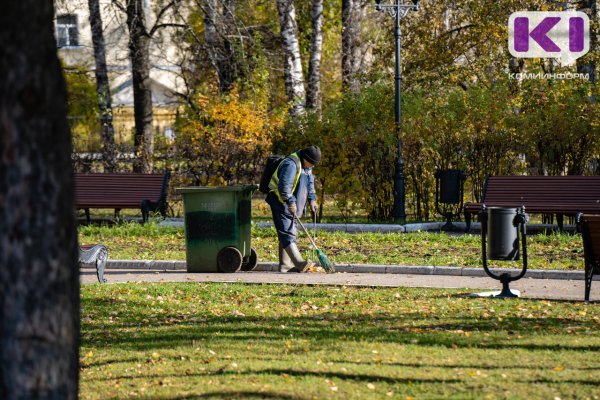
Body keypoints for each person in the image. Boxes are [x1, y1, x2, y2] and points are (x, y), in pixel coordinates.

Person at [266, 145, 321, 272]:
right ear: (305, 158)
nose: (312, 166)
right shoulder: (291, 164)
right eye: (311, 163)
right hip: (281, 202)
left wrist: (312, 199)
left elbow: (309, 183)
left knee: (290, 231)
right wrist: (290, 202)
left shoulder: (307, 167)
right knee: (287, 232)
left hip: (295, 205)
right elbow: (284, 187)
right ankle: (298, 262)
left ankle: (285, 265)